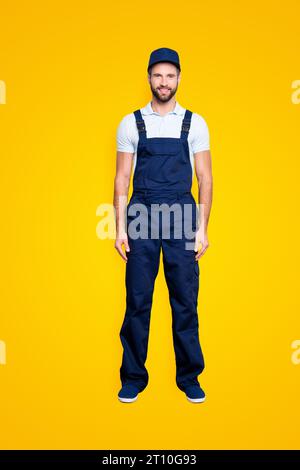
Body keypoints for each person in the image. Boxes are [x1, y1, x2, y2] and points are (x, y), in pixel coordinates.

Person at [113, 47, 213, 403]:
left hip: (182, 216)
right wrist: (120, 227)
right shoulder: (131, 122)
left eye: (170, 75)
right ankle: (133, 378)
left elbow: (205, 177)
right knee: (138, 300)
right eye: (158, 75)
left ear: (179, 78)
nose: (164, 82)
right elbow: (122, 179)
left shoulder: (195, 123)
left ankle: (189, 378)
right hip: (140, 215)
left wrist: (202, 228)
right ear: (149, 78)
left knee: (185, 301)